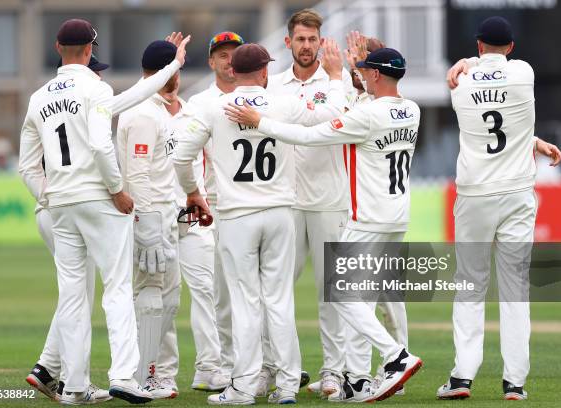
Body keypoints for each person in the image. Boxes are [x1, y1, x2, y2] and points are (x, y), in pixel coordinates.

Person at [224, 47, 424, 403]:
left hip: (368, 217)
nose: (359, 74)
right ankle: (360, 379)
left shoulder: (366, 115)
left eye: (364, 71)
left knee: (341, 293)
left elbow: (309, 136)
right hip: (398, 216)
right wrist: (352, 85)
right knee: (360, 298)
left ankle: (396, 355)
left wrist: (260, 122)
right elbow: (370, 109)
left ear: (375, 75)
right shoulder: (411, 109)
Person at [174, 41, 348, 405]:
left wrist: (193, 192)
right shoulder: (283, 103)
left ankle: (243, 386)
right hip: (282, 212)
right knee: (279, 300)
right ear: (266, 72)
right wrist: (334, 76)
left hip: (237, 215)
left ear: (233, 72)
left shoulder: (213, 106)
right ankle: (286, 385)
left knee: (245, 302)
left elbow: (181, 157)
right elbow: (332, 112)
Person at [24, 33, 189, 403]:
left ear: (56, 49)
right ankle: (124, 376)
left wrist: (48, 197)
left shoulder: (39, 98)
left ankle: (76, 386)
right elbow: (101, 144)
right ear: (89, 51)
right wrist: (116, 190)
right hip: (98, 199)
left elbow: (26, 166)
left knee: (72, 297)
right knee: (116, 290)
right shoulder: (95, 90)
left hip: (61, 204)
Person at [436, 16, 561, 401]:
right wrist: (535, 142)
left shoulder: (460, 85)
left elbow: (486, 118)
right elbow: (509, 118)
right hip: (517, 194)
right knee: (514, 290)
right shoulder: (524, 73)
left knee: (470, 287)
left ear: (478, 46)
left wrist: (463, 65)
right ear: (510, 48)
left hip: (475, 195)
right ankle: (515, 383)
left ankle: (462, 378)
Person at [260, 9, 354, 398]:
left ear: (321, 41)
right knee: (275, 288)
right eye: (300, 39)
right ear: (288, 42)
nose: (306, 46)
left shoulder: (338, 80)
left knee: (331, 289)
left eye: (313, 39)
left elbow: (340, 124)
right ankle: (274, 368)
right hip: (285, 200)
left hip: (329, 198)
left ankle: (333, 370)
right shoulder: (274, 85)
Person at [117, 39, 193, 399]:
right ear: (170, 72)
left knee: (169, 298)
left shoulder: (154, 107)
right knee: (149, 294)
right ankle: (139, 376)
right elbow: (139, 174)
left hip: (166, 214)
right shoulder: (144, 113)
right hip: (151, 215)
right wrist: (147, 225)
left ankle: (151, 374)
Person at [186, 31, 246, 381]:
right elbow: (187, 155)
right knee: (220, 294)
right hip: (216, 208)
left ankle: (261, 363)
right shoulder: (200, 103)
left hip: (253, 206)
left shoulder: (258, 98)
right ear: (211, 62)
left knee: (257, 292)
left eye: (235, 54)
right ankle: (221, 365)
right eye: (222, 55)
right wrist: (194, 195)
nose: (229, 60)